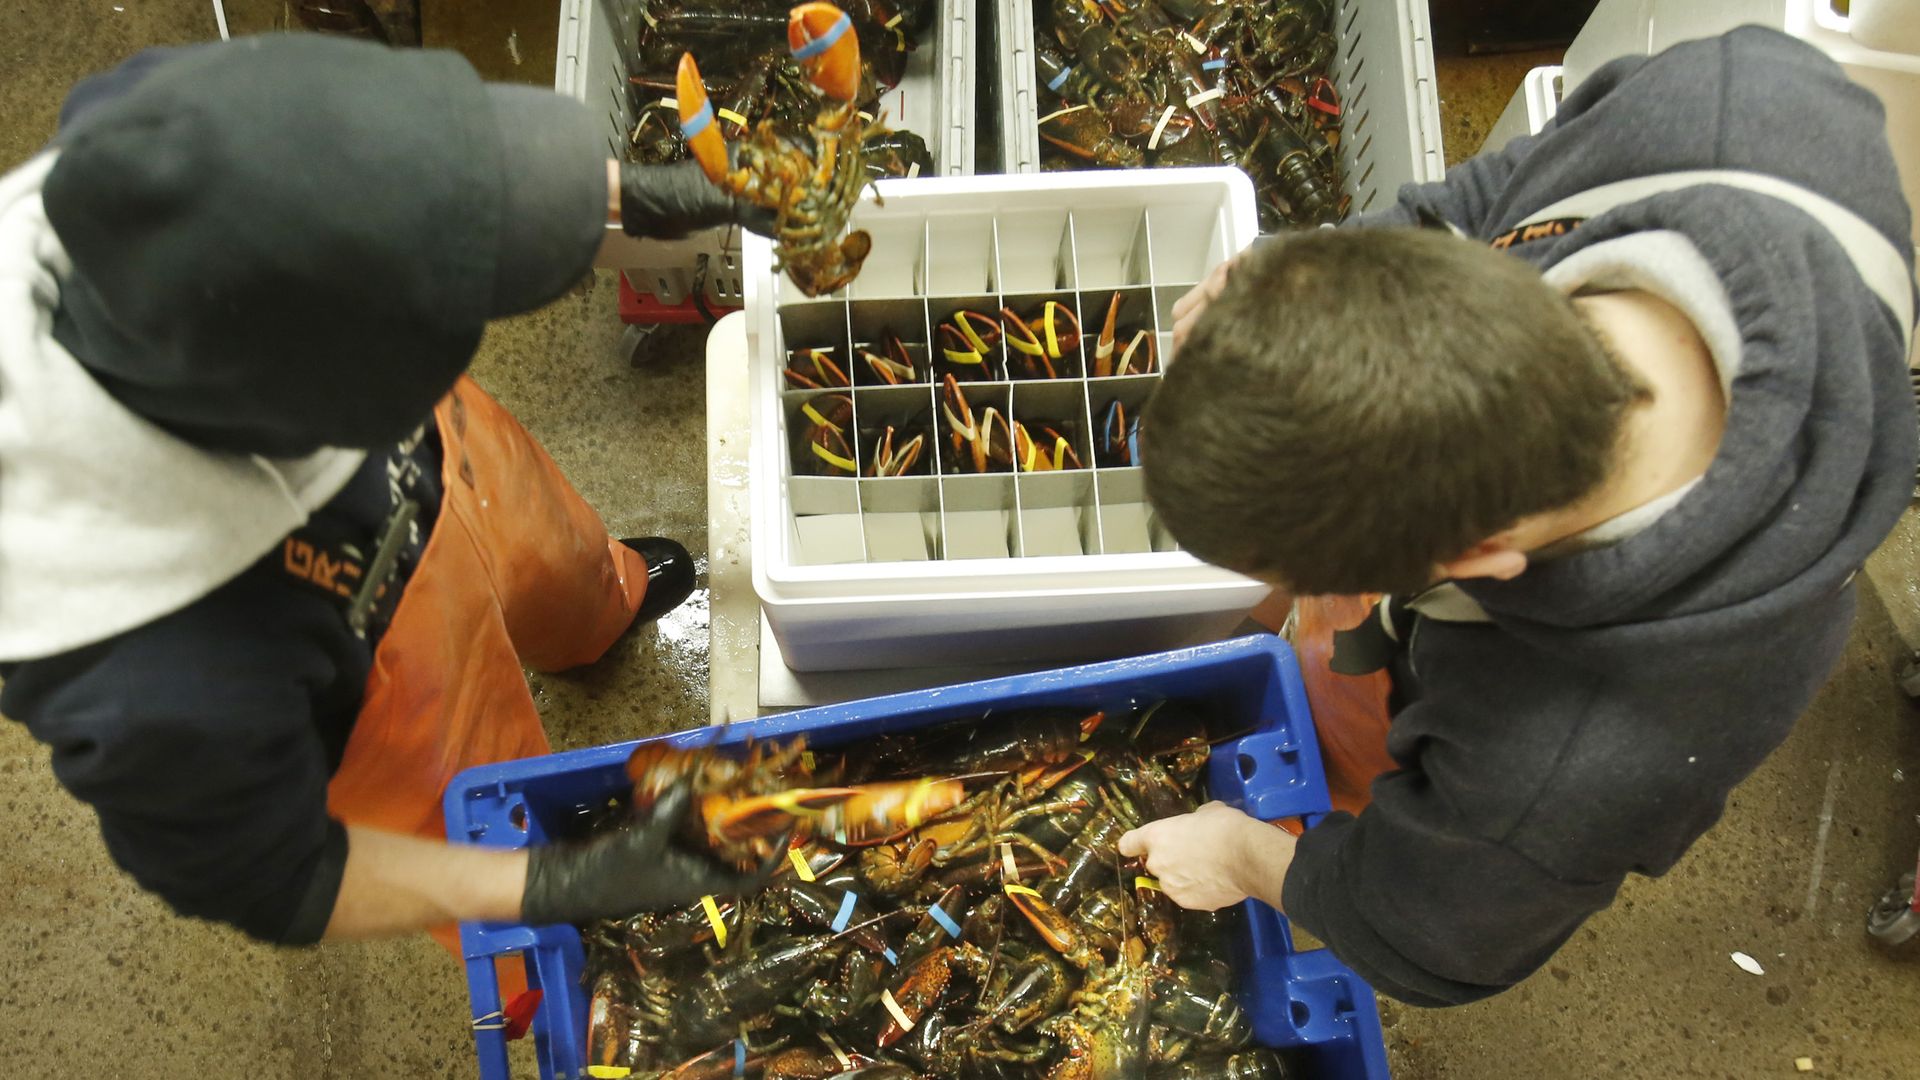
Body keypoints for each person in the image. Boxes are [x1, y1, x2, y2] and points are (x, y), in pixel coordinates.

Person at [1119, 26, 1917, 1006]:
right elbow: (1472, 208)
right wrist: (1311, 277)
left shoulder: (1558, 764)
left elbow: (1435, 937)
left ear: (1478, 558)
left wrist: (1243, 856)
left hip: (1530, 714)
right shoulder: (1736, 97)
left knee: (1358, 747)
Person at [0, 34, 776, 950]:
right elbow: (286, 881)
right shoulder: (152, 686)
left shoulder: (161, 143)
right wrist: (550, 882)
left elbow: (429, 171)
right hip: (371, 676)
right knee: (497, 817)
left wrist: (647, 199)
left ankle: (597, 608)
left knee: (547, 545)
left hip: (446, 471)